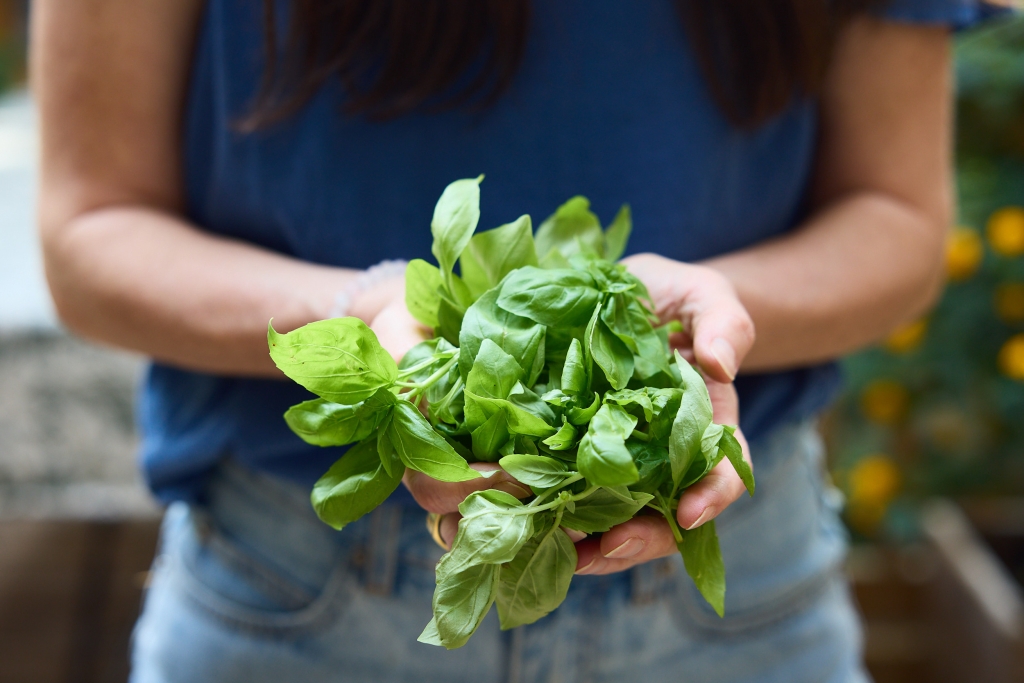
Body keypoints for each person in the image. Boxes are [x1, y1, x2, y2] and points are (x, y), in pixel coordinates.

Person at [32, 0, 994, 680]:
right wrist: (369, 313)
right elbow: (92, 229)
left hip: (740, 600)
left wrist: (714, 321)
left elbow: (898, 212)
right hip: (300, 597)